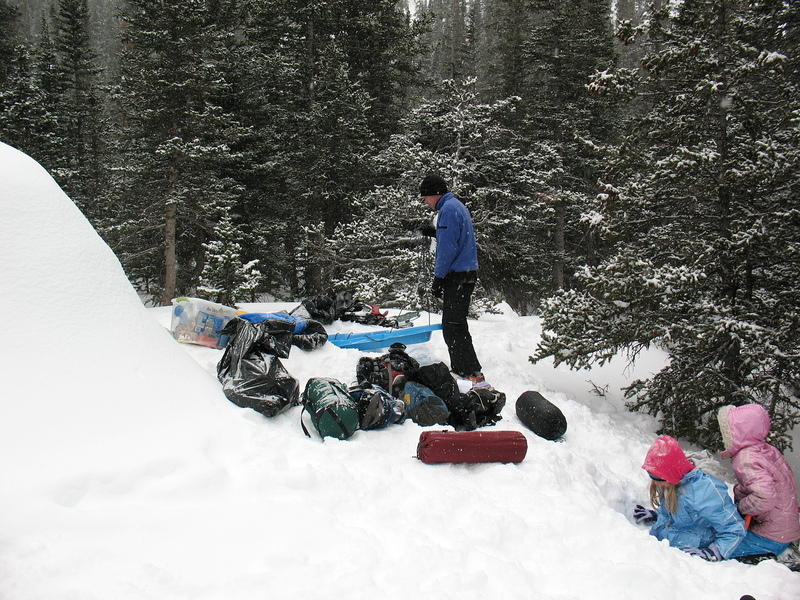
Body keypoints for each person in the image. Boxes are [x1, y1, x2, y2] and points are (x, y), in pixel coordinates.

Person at [632, 434, 746, 561]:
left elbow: (734, 529)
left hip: (693, 553)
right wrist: (658, 516)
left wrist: (714, 552)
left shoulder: (705, 490)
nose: (656, 482)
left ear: (672, 472)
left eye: (659, 478)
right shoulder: (671, 482)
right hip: (672, 542)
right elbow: (681, 512)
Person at [418, 174, 483, 383]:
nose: (426, 202)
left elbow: (447, 249)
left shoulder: (447, 210)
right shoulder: (456, 206)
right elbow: (454, 236)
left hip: (459, 275)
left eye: (426, 197)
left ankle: (468, 370)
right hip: (466, 273)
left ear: (435, 194)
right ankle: (467, 369)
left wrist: (438, 278)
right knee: (456, 323)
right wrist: (435, 232)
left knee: (453, 325)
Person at [717, 404, 800, 559]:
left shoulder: (746, 459)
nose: (724, 438)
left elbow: (765, 496)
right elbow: (774, 483)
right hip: (788, 528)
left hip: (770, 535)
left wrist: (741, 507)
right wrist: (741, 491)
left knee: (725, 548)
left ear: (739, 433)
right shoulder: (766, 450)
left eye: (727, 433)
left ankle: (778, 557)